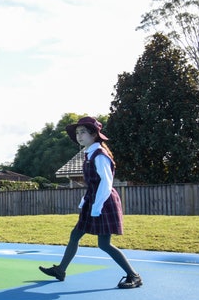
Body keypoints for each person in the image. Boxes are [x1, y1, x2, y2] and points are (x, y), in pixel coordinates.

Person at [39, 116, 143, 289]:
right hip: (94, 199)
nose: (79, 136)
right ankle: (61, 270)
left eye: (83, 132)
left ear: (94, 135)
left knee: (104, 244)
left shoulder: (100, 155)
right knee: (76, 234)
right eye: (77, 133)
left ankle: (134, 276)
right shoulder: (89, 154)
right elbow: (93, 184)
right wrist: (85, 200)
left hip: (104, 201)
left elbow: (106, 183)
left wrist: (97, 206)